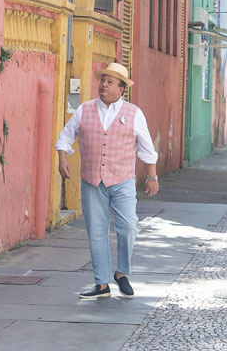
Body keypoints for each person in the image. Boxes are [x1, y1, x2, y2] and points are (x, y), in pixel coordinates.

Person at [56, 62, 159, 299]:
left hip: (122, 179)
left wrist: (152, 176)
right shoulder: (84, 109)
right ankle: (101, 284)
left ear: (121, 89)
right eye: (102, 80)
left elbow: (146, 147)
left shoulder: (134, 113)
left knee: (128, 226)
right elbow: (66, 135)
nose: (103, 85)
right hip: (92, 180)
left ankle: (121, 273)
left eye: (110, 82)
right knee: (96, 231)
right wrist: (62, 158)